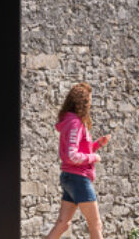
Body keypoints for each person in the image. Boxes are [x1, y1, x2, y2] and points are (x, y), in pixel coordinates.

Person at [45, 82, 110, 239]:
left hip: (69, 176)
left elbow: (79, 151)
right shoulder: (75, 123)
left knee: (62, 224)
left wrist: (97, 145)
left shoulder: (70, 121)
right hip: (78, 179)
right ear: (83, 102)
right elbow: (72, 155)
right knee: (95, 225)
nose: (91, 104)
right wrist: (94, 157)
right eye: (90, 100)